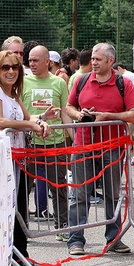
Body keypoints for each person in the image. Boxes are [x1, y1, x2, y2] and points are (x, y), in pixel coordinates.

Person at [66, 42, 134, 255]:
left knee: (112, 194)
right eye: (92, 59)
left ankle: (113, 239)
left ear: (111, 61)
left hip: (111, 147)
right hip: (83, 145)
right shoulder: (81, 80)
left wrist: (109, 116)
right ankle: (75, 240)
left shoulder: (123, 83)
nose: (94, 62)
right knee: (79, 194)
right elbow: (69, 107)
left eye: (98, 59)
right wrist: (79, 115)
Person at [0, 50, 53, 264]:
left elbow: (27, 116)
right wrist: (30, 124)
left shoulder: (13, 93)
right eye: (5, 67)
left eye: (15, 67)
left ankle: (19, 254)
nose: (11, 71)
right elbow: (1, 122)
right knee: (7, 208)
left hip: (18, 160)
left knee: (20, 208)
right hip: (4, 162)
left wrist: (41, 120)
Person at [22, 45, 73, 240]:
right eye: (30, 60)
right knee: (23, 188)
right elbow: (21, 113)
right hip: (29, 144)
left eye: (35, 60)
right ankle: (22, 228)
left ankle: (62, 227)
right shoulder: (23, 82)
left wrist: (73, 140)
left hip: (55, 143)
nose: (31, 64)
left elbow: (65, 112)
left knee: (59, 186)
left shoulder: (59, 83)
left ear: (47, 62)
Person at [112, 62, 134, 165]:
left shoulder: (125, 77)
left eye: (115, 72)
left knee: (127, 133)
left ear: (119, 68)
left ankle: (125, 156)